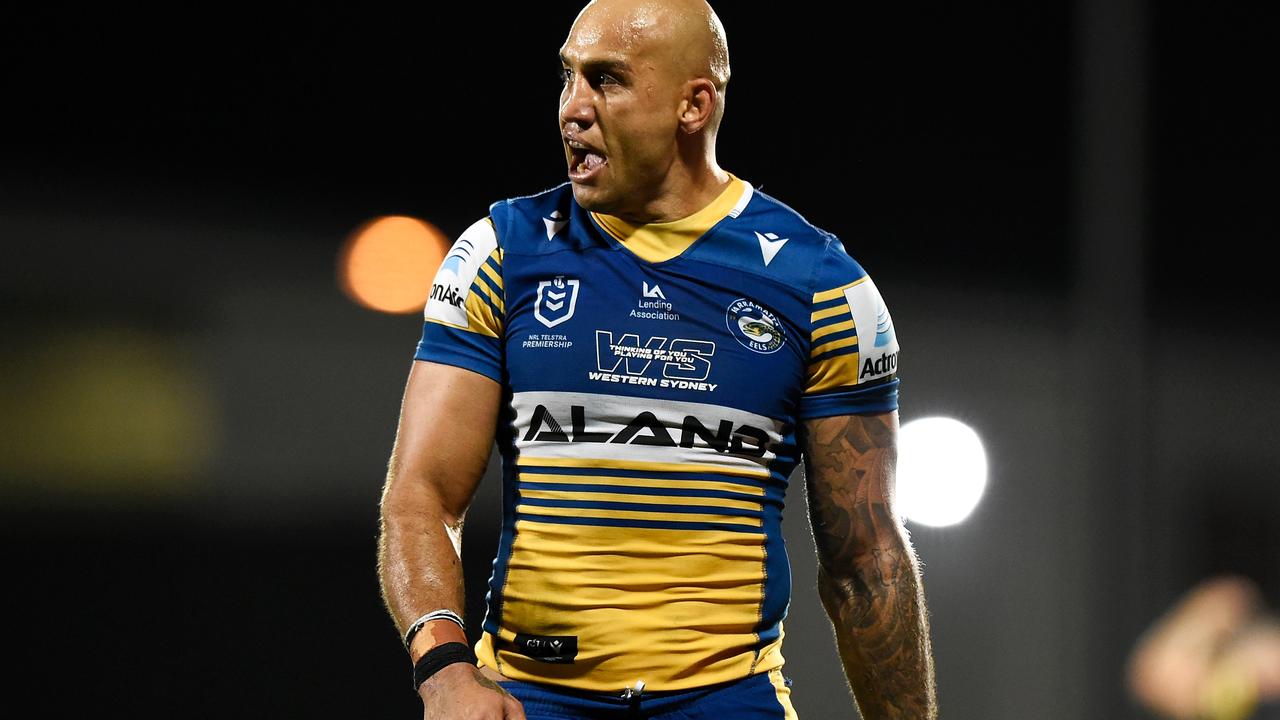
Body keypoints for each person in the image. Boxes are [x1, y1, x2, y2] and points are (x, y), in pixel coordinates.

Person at [377, 1, 937, 717]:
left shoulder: (821, 286)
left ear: (693, 105)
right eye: (567, 77)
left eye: (606, 80)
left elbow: (866, 562)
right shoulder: (501, 253)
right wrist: (446, 672)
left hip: (727, 701)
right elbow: (419, 496)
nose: (572, 109)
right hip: (530, 698)